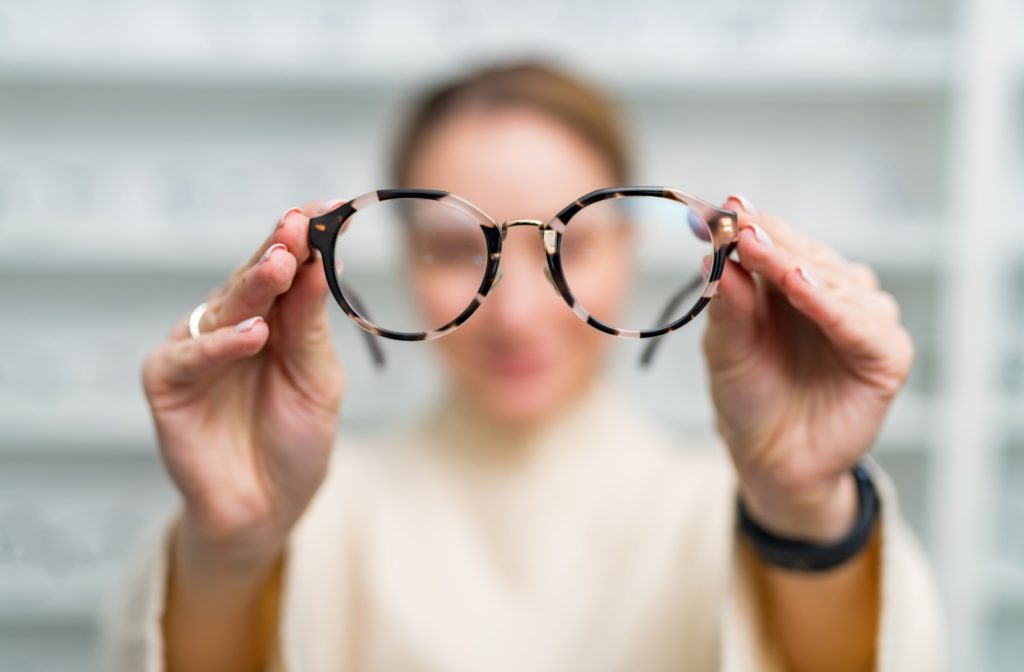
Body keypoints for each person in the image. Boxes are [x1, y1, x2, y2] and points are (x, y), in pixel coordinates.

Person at [101, 63, 944, 671]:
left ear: (632, 249)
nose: (516, 313)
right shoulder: (306, 510)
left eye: (571, 246)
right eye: (450, 250)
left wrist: (802, 509)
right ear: (394, 259)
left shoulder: (733, 510)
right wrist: (229, 547)